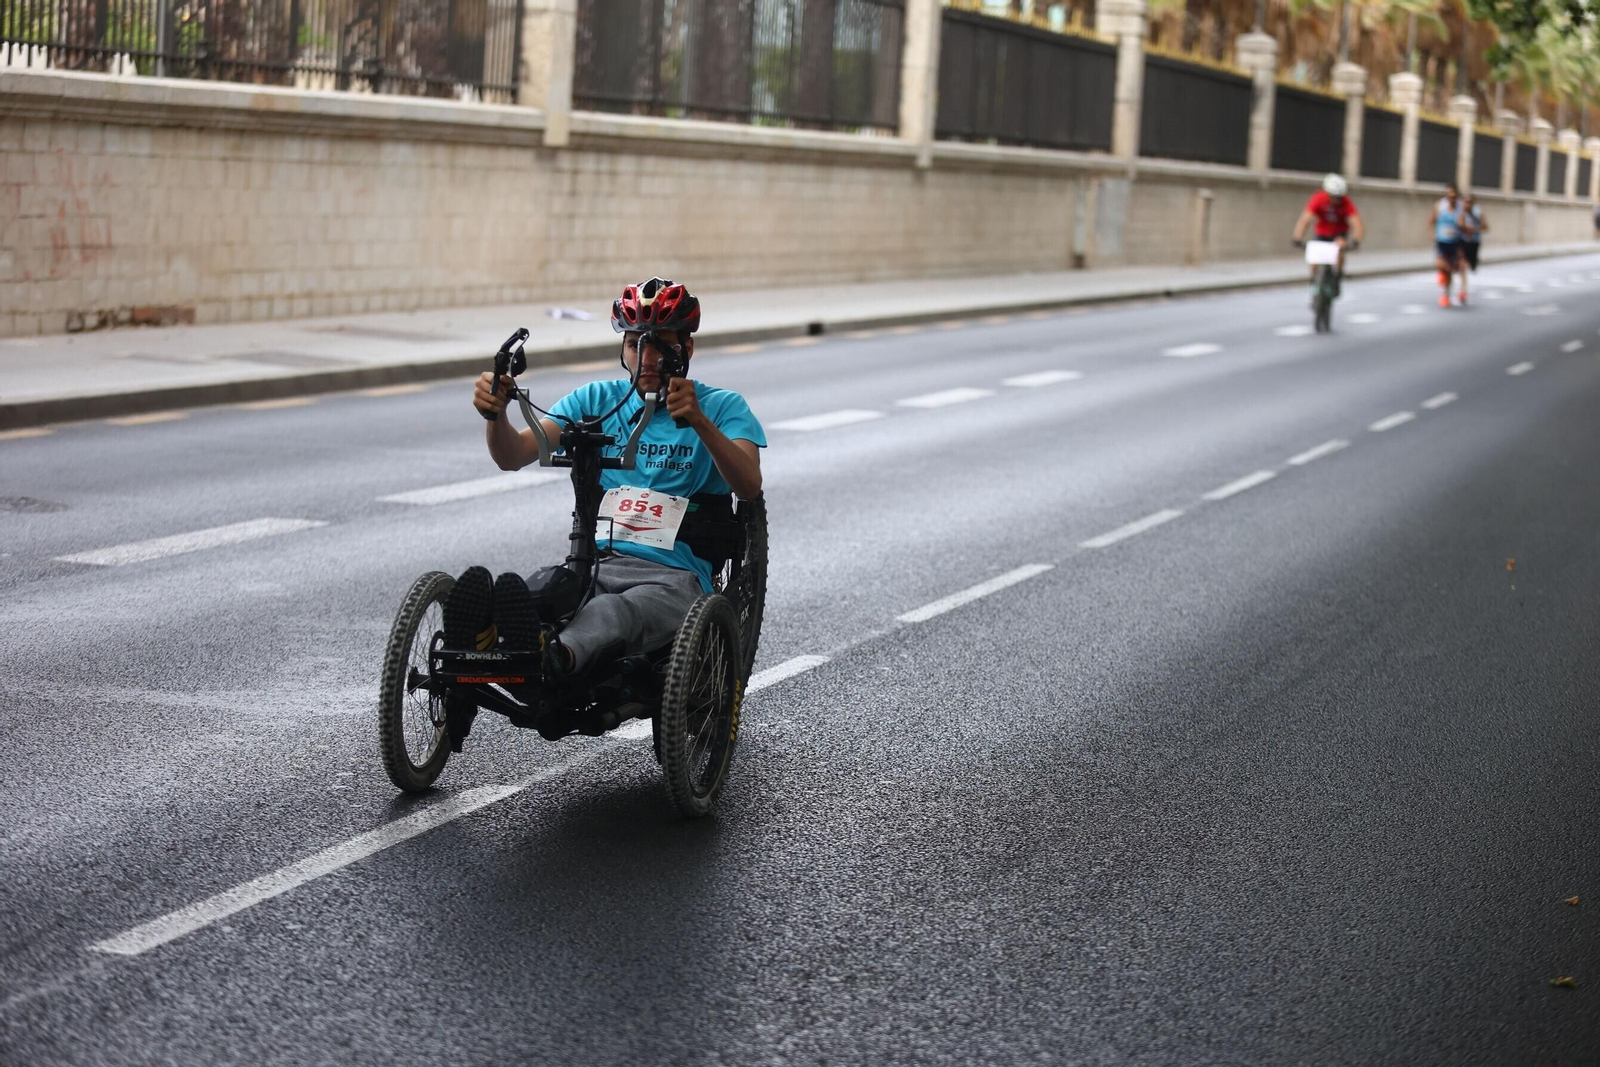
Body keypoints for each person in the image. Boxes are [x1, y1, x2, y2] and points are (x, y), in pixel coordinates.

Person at [444, 276, 766, 695]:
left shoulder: (724, 407)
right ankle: (489, 641)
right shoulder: (596, 400)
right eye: (635, 345)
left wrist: (700, 423)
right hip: (596, 563)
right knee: (543, 591)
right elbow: (512, 455)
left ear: (686, 348)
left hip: (674, 579)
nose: (646, 358)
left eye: (660, 346)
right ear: (623, 349)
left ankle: (555, 658)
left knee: (615, 612)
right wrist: (495, 415)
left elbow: (749, 484)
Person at [1291, 173, 1365, 300]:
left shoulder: (1346, 203)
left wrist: (1356, 241)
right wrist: (1297, 237)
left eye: (1338, 197)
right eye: (1333, 196)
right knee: (1314, 257)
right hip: (1322, 233)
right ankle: (1314, 282)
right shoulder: (1319, 198)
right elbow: (1305, 219)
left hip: (1338, 234)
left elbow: (1357, 223)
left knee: (1339, 249)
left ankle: (1337, 278)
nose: (1336, 200)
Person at [1430, 184, 1465, 307]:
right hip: (1442, 241)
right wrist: (1432, 234)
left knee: (1450, 270)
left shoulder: (1461, 207)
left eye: (1453, 195)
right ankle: (1442, 276)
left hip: (1454, 242)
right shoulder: (1440, 205)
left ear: (1456, 196)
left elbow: (1463, 224)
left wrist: (1462, 225)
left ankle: (1445, 295)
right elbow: (1431, 221)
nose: (1451, 197)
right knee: (1441, 265)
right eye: (1449, 194)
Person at [1458, 193, 1486, 277]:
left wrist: (1474, 229)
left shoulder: (1477, 212)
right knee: (1462, 261)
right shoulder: (1460, 211)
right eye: (1465, 202)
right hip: (1463, 240)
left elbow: (1485, 226)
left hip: (1474, 241)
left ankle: (1473, 264)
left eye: (1469, 202)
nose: (1467, 204)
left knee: (1472, 264)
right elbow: (1458, 224)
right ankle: (1463, 285)